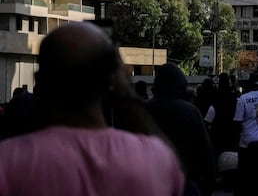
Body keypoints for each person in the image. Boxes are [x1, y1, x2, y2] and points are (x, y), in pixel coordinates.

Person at [0, 21, 185, 196]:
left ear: (39, 81)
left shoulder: (8, 162)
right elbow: (179, 180)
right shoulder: (153, 158)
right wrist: (125, 93)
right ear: (111, 81)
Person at [147, 63, 217, 196]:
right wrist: (208, 184)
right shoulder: (190, 111)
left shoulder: (144, 110)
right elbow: (206, 152)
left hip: (150, 181)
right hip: (185, 181)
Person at [232, 71, 258, 196]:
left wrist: (235, 143)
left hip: (247, 144)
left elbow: (237, 122)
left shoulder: (244, 98)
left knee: (245, 177)